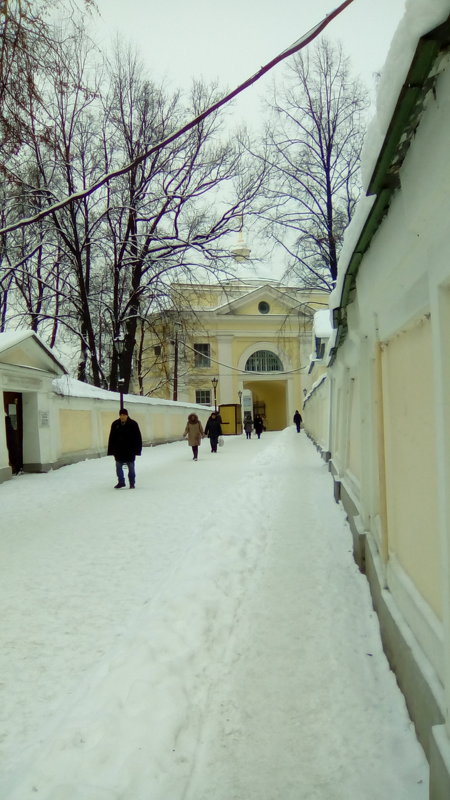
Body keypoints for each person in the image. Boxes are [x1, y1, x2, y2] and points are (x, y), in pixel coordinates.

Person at [107, 407, 142, 488]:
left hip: (130, 450)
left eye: (124, 415)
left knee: (131, 468)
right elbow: (111, 437)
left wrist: (137, 450)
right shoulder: (115, 424)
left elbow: (138, 438)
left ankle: (132, 483)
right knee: (118, 467)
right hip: (118, 450)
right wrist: (111, 450)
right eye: (121, 415)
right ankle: (121, 482)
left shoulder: (133, 424)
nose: (122, 416)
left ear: (127, 415)